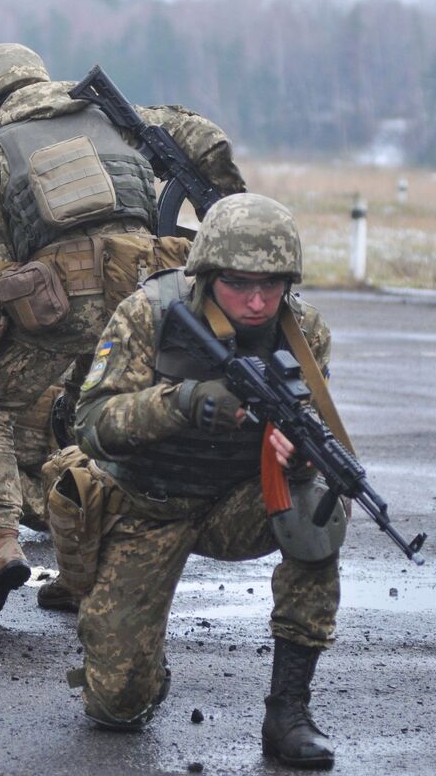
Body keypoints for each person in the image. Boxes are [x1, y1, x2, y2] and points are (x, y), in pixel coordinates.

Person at [0, 43, 245, 620]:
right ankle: (88, 569)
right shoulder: (118, 121)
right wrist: (230, 203)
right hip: (147, 295)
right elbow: (204, 137)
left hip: (58, 307)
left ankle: (0, 546)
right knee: (99, 418)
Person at [63, 193, 345, 769]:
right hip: (146, 503)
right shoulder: (150, 313)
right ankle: (142, 667)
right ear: (209, 272)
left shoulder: (304, 331)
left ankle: (288, 711)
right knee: (117, 707)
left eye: (273, 286)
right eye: (242, 284)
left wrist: (301, 458)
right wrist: (184, 404)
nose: (259, 301)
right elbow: (91, 425)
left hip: (238, 501)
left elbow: (309, 423)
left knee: (318, 514)